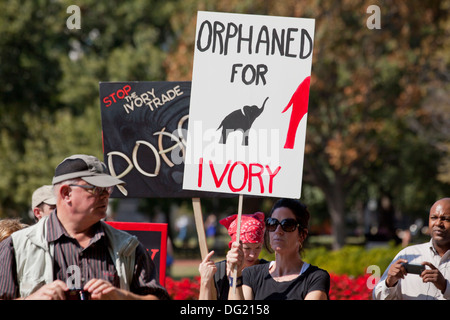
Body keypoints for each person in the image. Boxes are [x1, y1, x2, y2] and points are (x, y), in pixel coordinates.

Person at [0, 154, 169, 300]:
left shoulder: (128, 247)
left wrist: (122, 296)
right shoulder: (16, 246)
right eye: (95, 188)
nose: (105, 195)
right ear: (66, 193)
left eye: (107, 189)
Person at [228, 198, 330, 300]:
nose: (278, 231)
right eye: (272, 223)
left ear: (302, 235)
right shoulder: (251, 274)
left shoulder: (315, 278)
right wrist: (235, 274)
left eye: (287, 225)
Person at [373, 198, 450, 300]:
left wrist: (445, 286)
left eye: (446, 219)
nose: (438, 223)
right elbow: (378, 297)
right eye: (434, 217)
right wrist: (389, 282)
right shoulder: (407, 255)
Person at [198, 212, 267, 300]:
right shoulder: (217, 271)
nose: (252, 254)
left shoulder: (267, 271)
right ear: (233, 246)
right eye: (247, 248)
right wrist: (205, 282)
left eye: (258, 248)